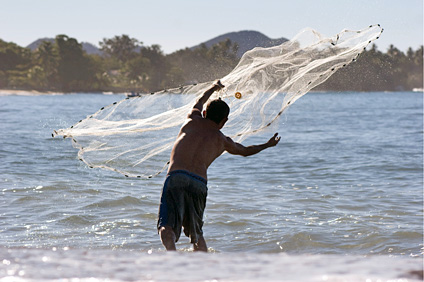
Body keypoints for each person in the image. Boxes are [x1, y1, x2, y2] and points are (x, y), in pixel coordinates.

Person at [157, 80, 281, 252]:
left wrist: (214, 88)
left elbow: (199, 101)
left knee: (167, 226)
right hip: (199, 183)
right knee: (197, 234)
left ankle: (172, 256)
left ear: (206, 112)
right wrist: (267, 145)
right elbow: (245, 151)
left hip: (177, 177)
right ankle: (205, 269)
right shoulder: (222, 140)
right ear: (224, 121)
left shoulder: (192, 120)